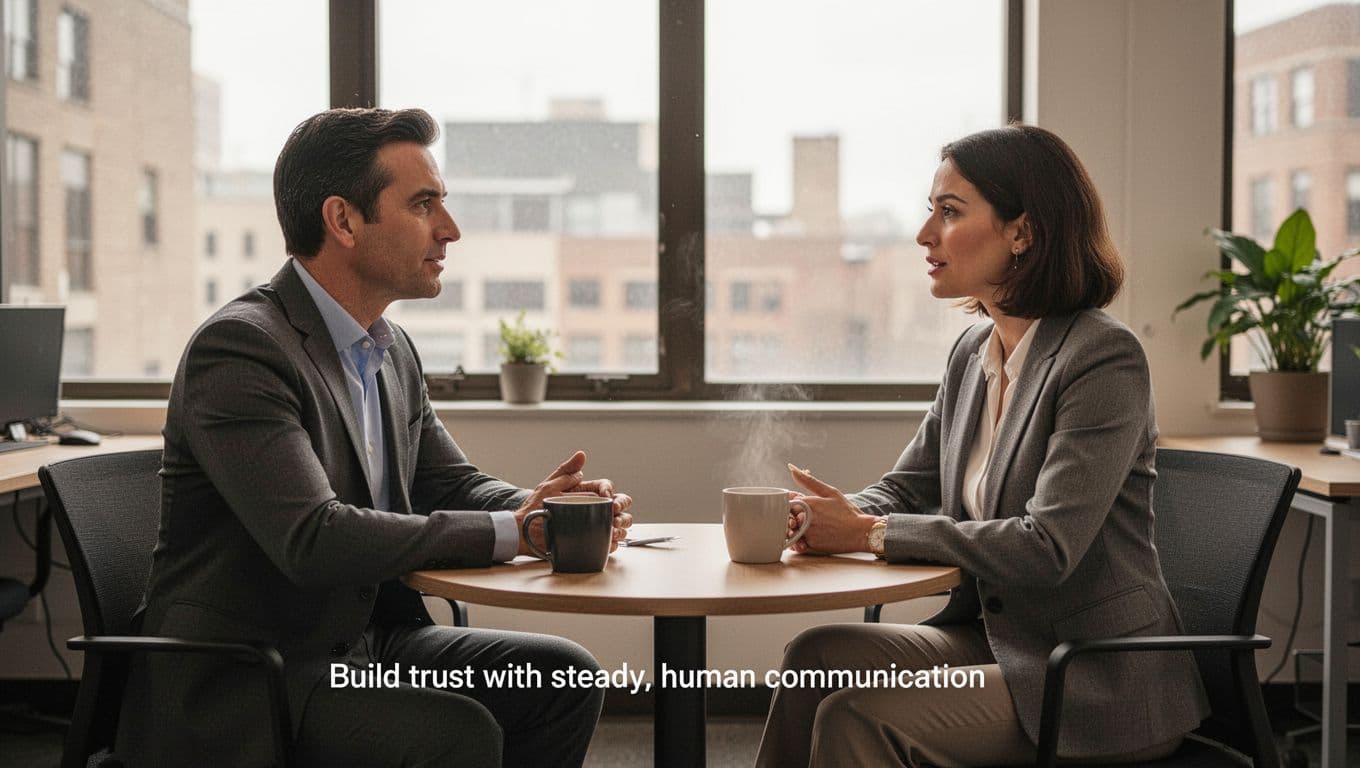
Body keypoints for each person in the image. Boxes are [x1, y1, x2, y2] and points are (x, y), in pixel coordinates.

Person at [116, 107, 633, 768]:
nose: (450, 230)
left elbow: (449, 483)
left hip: (362, 642)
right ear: (343, 221)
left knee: (564, 679)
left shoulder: (390, 351)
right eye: (424, 205)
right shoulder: (242, 350)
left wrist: (550, 509)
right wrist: (515, 531)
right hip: (257, 676)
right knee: (457, 733)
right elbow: (314, 538)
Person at [755, 124, 1209, 767]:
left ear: (1022, 233)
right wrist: (817, 517)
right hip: (998, 641)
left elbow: (1047, 547)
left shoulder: (1102, 357)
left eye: (949, 212)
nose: (924, 234)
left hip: (1091, 677)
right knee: (816, 657)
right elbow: (909, 487)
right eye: (929, 211)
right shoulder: (974, 352)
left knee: (860, 715)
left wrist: (868, 533)